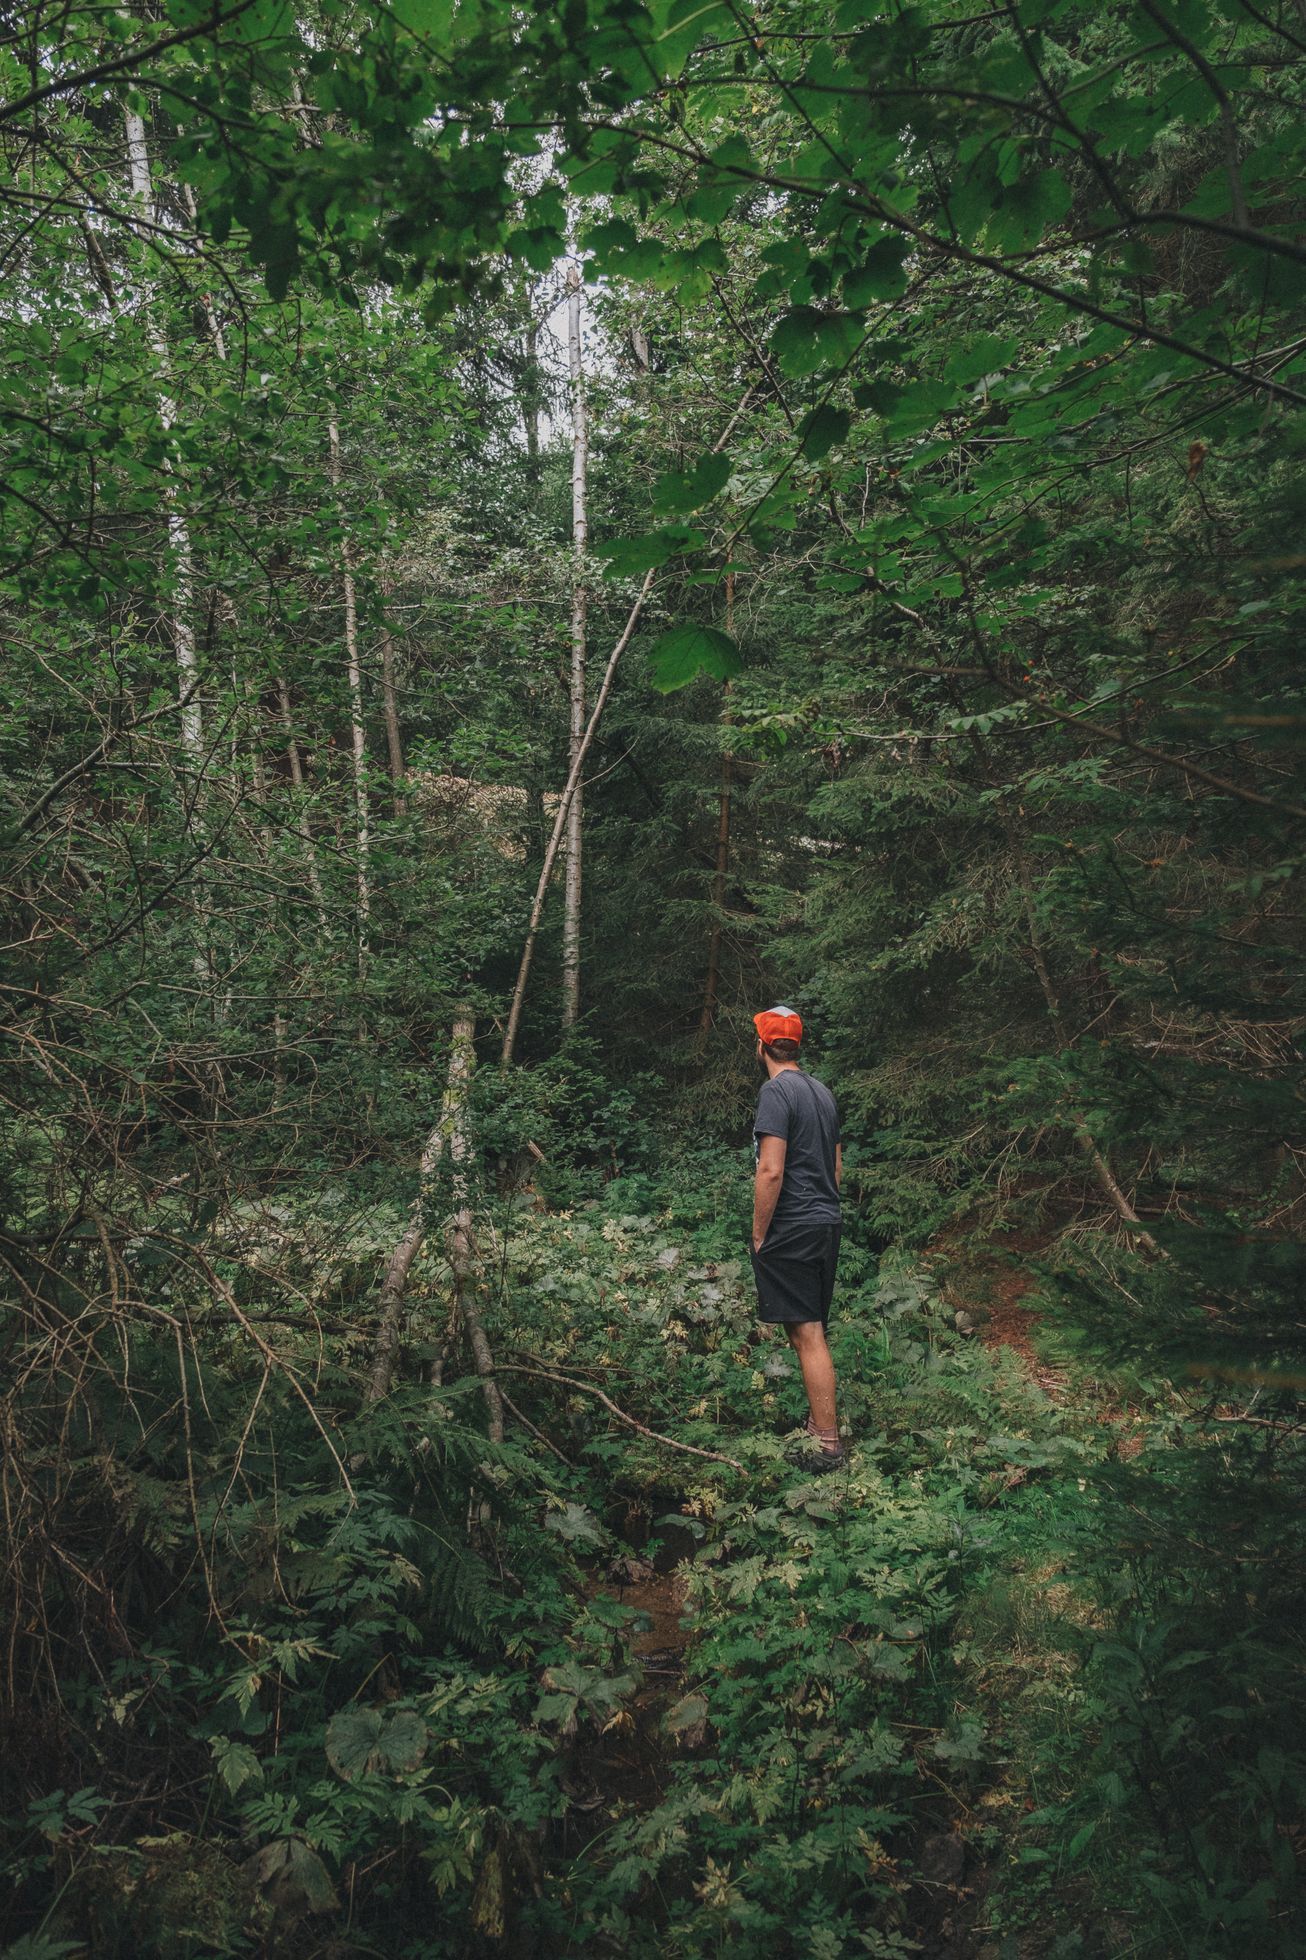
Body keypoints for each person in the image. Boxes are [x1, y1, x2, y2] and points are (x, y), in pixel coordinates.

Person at [748, 1005, 845, 1472]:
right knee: (809, 1328)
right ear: (796, 1045)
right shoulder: (822, 1092)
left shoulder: (775, 1091)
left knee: (807, 1332)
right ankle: (816, 1425)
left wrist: (759, 1234)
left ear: (762, 1045)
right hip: (825, 1220)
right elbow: (836, 1168)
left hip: (793, 1223)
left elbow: (770, 1169)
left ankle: (827, 1444)